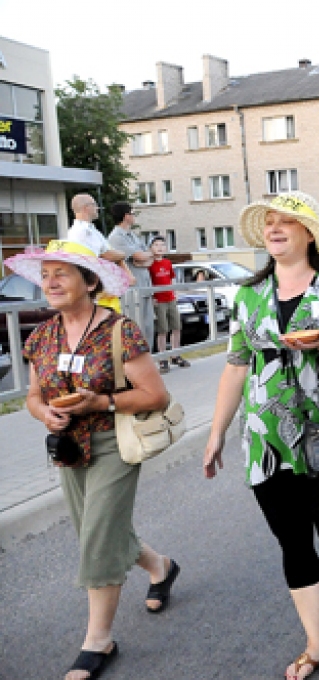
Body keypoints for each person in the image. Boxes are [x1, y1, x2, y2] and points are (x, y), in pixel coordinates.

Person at [202, 191, 319, 680]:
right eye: (270, 223)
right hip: (266, 439)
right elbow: (237, 366)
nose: (275, 229)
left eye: (286, 222)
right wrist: (216, 432)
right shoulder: (248, 296)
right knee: (294, 541)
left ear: (308, 234)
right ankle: (317, 644)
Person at [6, 239, 179, 680]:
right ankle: (161, 566)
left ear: (89, 281)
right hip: (67, 451)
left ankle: (98, 640)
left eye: (61, 273)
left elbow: (155, 395)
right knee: (98, 531)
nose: (51, 282)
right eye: (45, 275)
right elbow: (31, 396)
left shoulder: (119, 330)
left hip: (113, 445)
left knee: (98, 539)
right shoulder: (41, 336)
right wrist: (45, 412)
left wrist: (98, 403)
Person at [66, 193, 132, 313]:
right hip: (98, 292)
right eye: (95, 205)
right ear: (86, 208)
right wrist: (122, 254)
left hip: (104, 290)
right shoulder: (83, 232)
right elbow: (104, 255)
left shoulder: (90, 230)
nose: (98, 209)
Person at [107, 202, 155, 344]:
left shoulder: (133, 236)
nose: (134, 216)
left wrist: (143, 257)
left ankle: (149, 360)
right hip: (132, 291)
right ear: (126, 216)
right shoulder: (116, 237)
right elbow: (139, 256)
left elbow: (150, 257)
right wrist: (141, 257)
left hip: (145, 287)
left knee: (148, 327)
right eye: (132, 213)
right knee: (136, 328)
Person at [147, 236, 190, 373]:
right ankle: (162, 358)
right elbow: (148, 283)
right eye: (156, 245)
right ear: (151, 248)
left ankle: (175, 355)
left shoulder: (167, 263)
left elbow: (170, 279)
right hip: (159, 301)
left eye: (162, 245)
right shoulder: (149, 264)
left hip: (170, 298)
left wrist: (174, 293)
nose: (159, 247)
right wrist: (152, 297)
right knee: (162, 330)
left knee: (176, 327)